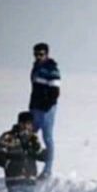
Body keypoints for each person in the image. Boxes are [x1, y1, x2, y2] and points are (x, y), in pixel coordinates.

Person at [0, 111, 48, 192]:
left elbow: (43, 157)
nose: (28, 127)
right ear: (20, 123)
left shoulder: (33, 138)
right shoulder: (8, 137)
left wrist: (37, 149)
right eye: (26, 124)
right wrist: (10, 164)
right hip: (15, 184)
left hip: (31, 184)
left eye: (30, 124)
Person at [29, 42, 61, 180]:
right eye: (36, 54)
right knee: (29, 137)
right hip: (35, 107)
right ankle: (29, 167)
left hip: (47, 110)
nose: (38, 57)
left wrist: (46, 106)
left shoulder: (51, 69)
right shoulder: (36, 67)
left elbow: (55, 91)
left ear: (47, 54)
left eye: (41, 54)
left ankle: (47, 170)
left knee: (47, 138)